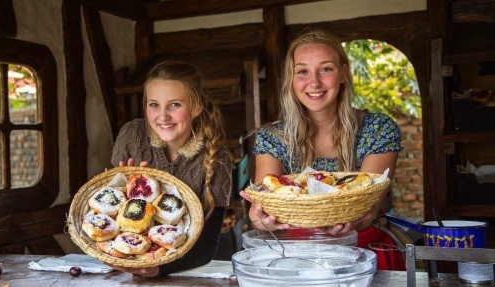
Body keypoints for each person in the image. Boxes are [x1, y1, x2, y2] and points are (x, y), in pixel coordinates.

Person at [240, 29, 406, 271]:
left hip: (366, 253)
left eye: (326, 69)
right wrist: (264, 221)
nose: (314, 82)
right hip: (298, 259)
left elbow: (368, 211)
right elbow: (260, 215)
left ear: (343, 73)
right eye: (303, 71)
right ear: (292, 79)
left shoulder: (378, 129)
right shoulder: (274, 137)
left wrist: (345, 225)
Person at [111, 60, 232, 277]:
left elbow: (208, 246)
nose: (163, 116)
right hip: (126, 265)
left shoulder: (217, 158)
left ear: (196, 107)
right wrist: (124, 193)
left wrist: (158, 268)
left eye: (175, 104)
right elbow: (111, 221)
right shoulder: (132, 135)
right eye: (154, 104)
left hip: (177, 273)